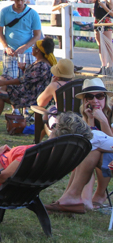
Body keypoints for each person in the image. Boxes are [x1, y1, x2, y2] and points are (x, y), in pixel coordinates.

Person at [49, 78, 113, 212]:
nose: (95, 101)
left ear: (105, 98)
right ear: (84, 101)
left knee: (91, 150)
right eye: (90, 97)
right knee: (89, 149)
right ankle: (78, 199)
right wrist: (90, 120)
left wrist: (104, 122)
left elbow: (111, 144)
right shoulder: (87, 116)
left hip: (109, 157)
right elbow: (91, 139)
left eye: (99, 96)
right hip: (103, 156)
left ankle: (81, 198)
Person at [0, 38, 55, 130]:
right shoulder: (40, 63)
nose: (31, 48)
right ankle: (2, 94)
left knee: (1, 96)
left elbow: (22, 80)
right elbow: (30, 79)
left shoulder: (41, 65)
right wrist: (23, 69)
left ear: (38, 50)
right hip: (27, 90)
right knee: (4, 77)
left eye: (33, 47)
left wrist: (2, 83)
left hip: (30, 96)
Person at [0, 0, 42, 79]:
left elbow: (37, 35)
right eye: (17, 0)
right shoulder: (4, 12)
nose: (20, 3)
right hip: (11, 51)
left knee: (28, 78)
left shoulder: (33, 13)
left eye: (22, 0)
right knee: (9, 77)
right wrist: (6, 47)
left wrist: (25, 47)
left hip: (28, 51)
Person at [89, 0, 113, 76]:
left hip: (106, 22)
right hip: (98, 22)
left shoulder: (109, 0)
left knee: (108, 45)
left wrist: (104, 6)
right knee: (100, 45)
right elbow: (86, 1)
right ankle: (103, 66)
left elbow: (112, 13)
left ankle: (110, 66)